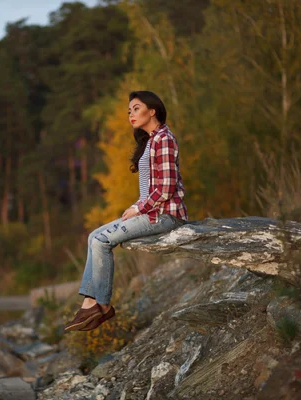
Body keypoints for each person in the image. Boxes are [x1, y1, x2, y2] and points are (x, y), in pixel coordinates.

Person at [64, 90, 189, 332]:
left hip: (165, 216)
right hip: (151, 212)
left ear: (152, 111)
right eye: (129, 110)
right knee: (94, 237)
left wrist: (138, 208)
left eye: (136, 108)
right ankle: (91, 304)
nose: (131, 114)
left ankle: (97, 305)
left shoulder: (164, 138)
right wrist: (138, 207)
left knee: (101, 241)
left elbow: (166, 188)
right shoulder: (152, 140)